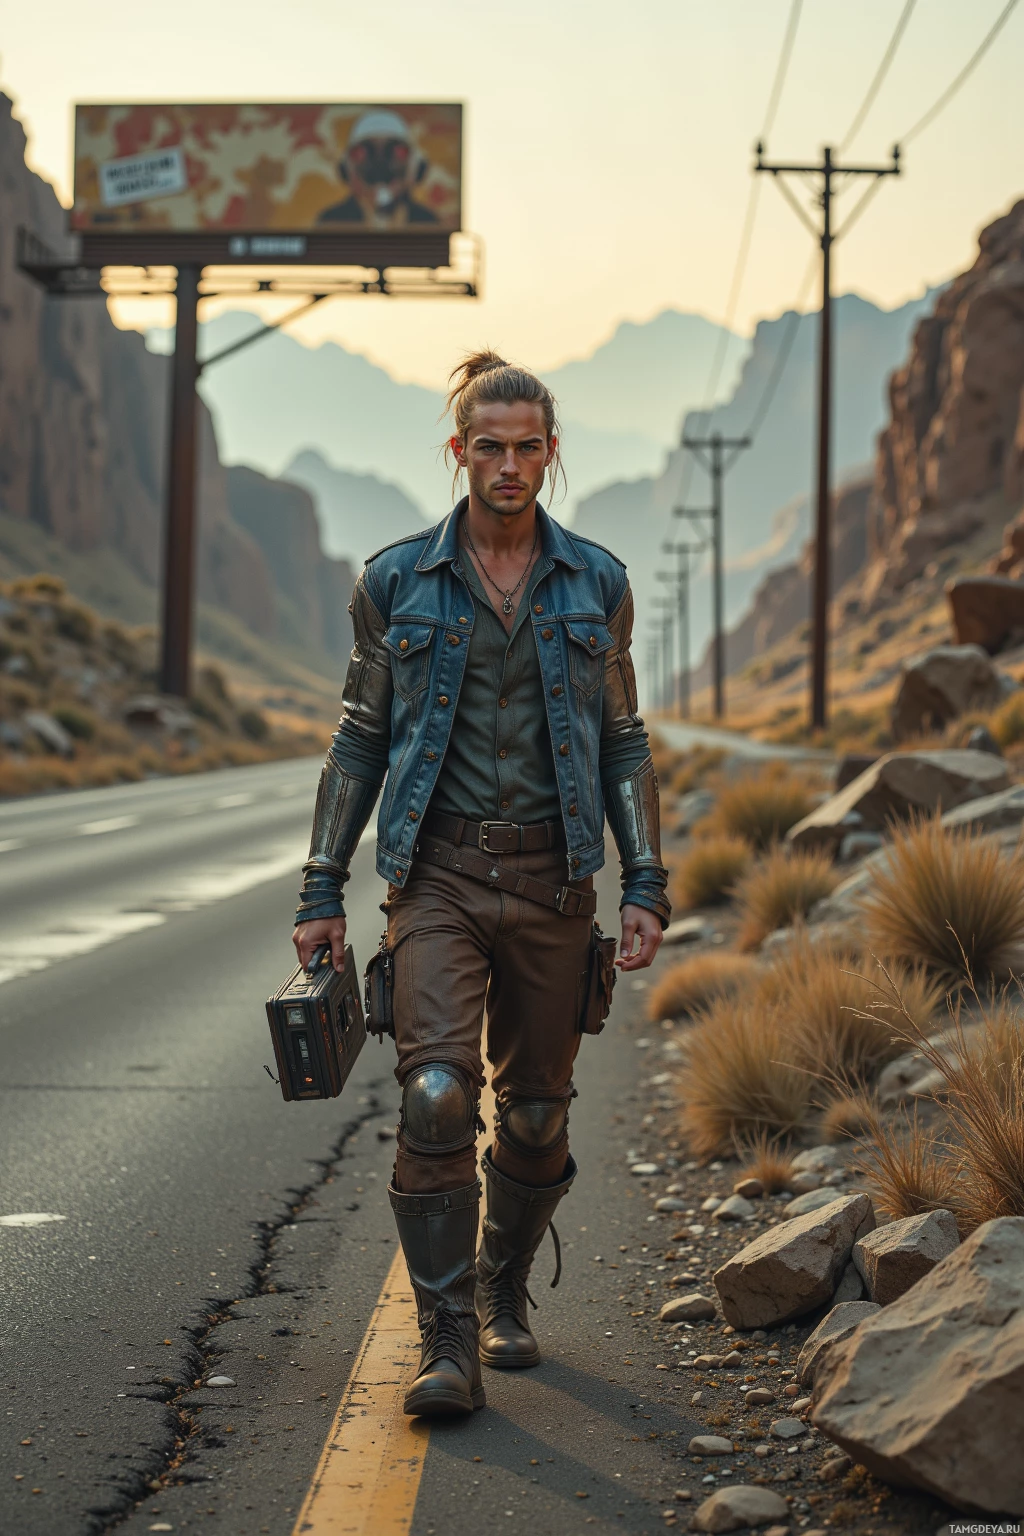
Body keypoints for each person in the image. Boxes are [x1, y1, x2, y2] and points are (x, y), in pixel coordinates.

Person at [292, 353, 669, 1419]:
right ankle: (445, 1335)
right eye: (488, 445)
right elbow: (360, 739)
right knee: (437, 1092)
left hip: (556, 883)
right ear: (457, 451)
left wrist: (645, 879)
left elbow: (621, 742)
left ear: (552, 455)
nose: (508, 464)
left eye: (528, 446)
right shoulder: (397, 582)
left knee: (539, 1114)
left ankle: (505, 1284)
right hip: (439, 873)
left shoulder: (597, 581)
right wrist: (321, 889)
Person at [318, 108, 439, 227]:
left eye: (397, 153)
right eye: (363, 153)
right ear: (346, 169)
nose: (381, 167)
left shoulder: (429, 223)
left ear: (416, 168)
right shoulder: (331, 223)